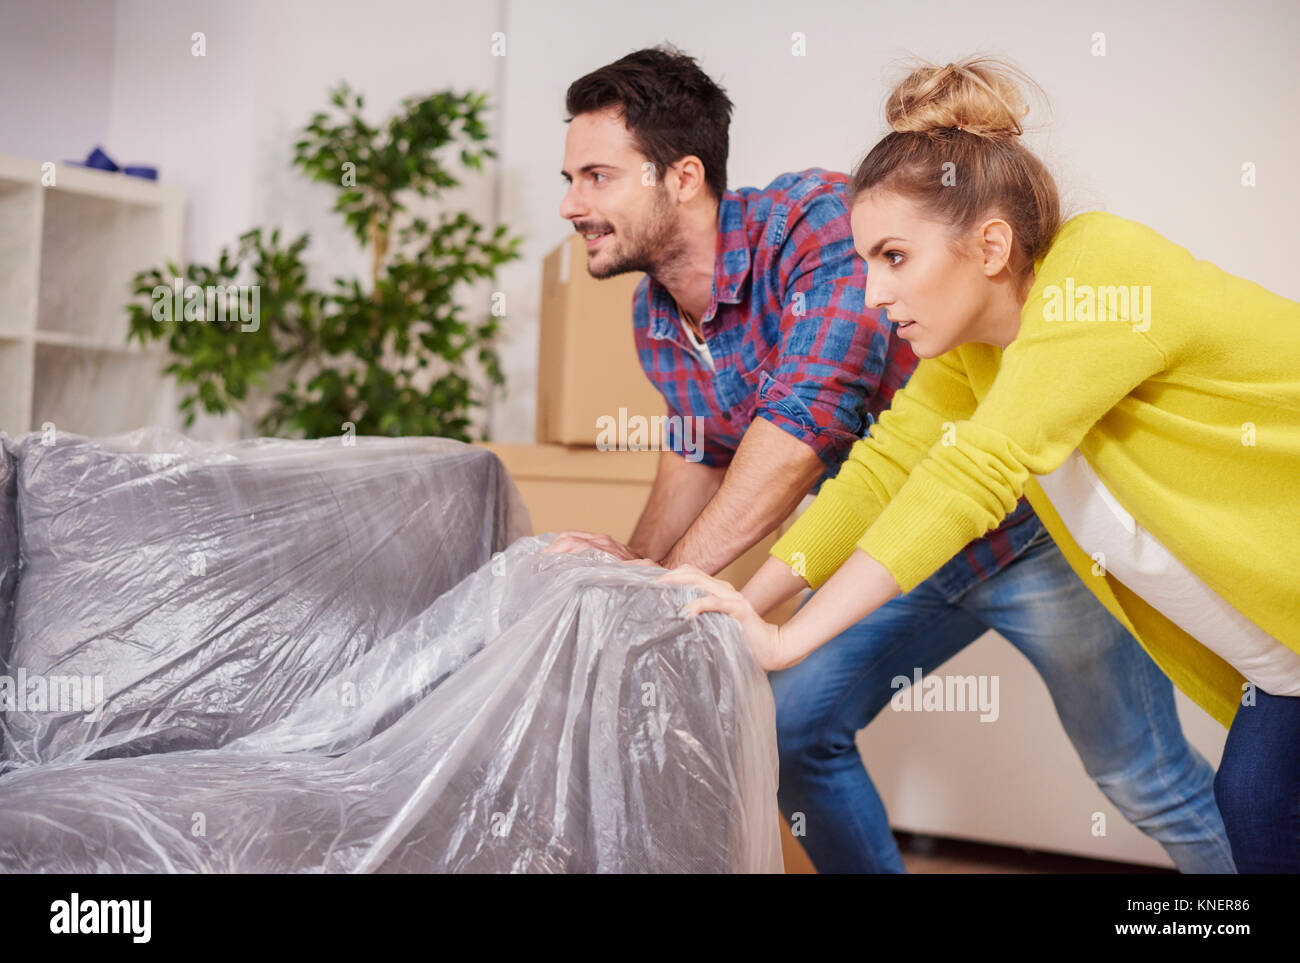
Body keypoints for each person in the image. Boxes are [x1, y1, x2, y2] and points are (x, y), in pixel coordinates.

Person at [550, 46, 1234, 872]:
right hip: (889, 547)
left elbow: (818, 430)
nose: (570, 204)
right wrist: (640, 575)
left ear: (683, 176)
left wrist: (710, 608)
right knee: (794, 727)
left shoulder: (815, 221)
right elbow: (787, 462)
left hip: (1026, 538)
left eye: (594, 175)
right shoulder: (656, 318)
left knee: (1142, 774)